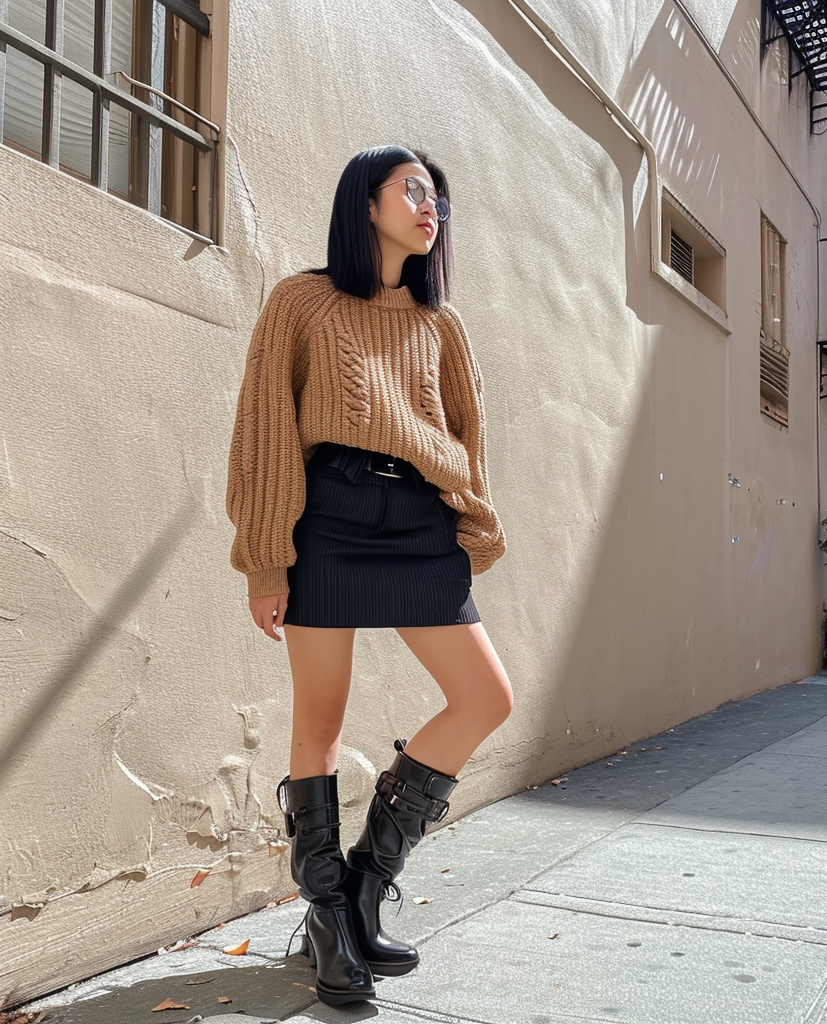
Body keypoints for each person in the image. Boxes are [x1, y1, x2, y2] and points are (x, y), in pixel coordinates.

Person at [226, 146, 513, 1007]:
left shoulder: (440, 324)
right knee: (319, 720)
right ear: (368, 202)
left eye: (439, 197)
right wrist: (265, 557)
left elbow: (468, 438)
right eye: (413, 190)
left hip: (420, 523)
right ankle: (325, 919)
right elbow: (267, 425)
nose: (431, 207)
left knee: (486, 698)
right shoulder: (301, 301)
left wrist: (470, 518)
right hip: (332, 517)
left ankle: (360, 887)